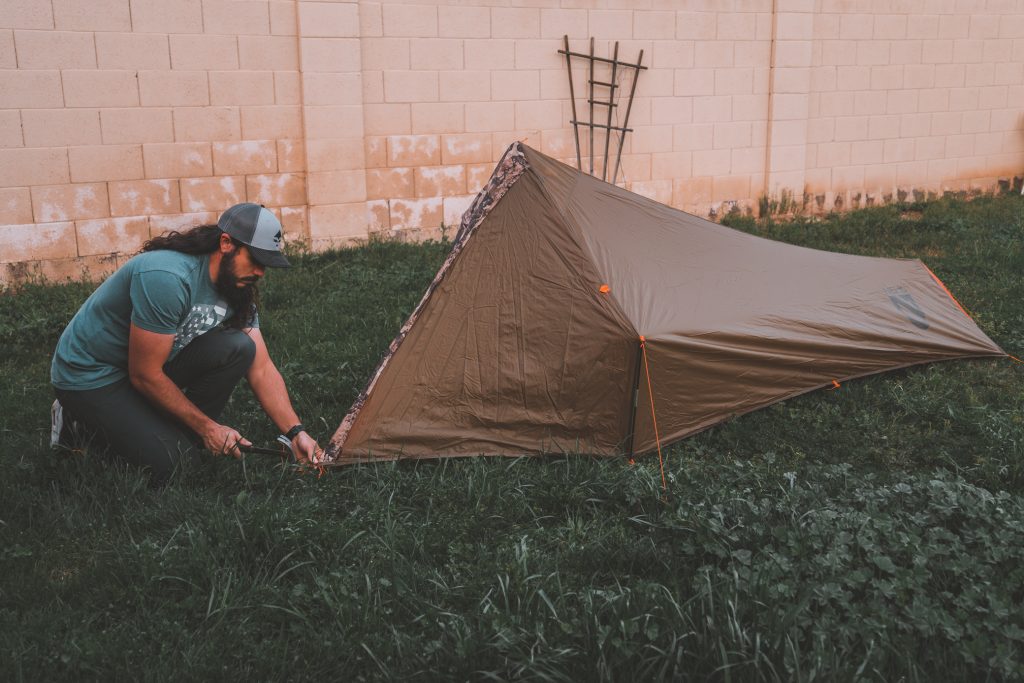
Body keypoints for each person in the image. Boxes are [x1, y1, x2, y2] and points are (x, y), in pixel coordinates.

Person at [50, 202, 322, 485]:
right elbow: (144, 375)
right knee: (175, 466)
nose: (260, 272)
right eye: (254, 259)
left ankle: (171, 432)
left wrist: (295, 433)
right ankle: (76, 421)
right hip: (91, 376)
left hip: (146, 366)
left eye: (265, 264)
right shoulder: (168, 277)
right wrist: (209, 428)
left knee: (239, 347)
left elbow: (262, 368)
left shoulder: (236, 287)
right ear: (226, 243)